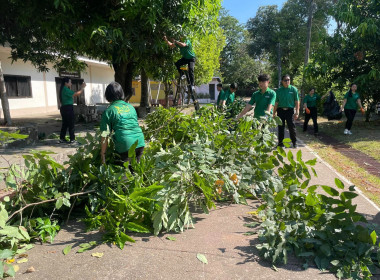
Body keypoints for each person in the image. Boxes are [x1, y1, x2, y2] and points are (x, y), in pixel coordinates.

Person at [100, 82, 145, 169]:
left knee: (124, 177)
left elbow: (104, 135)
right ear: (121, 93)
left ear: (107, 95)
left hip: (125, 145)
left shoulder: (109, 111)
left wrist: (103, 154)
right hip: (140, 142)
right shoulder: (130, 107)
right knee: (136, 173)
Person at [273, 74, 299, 148]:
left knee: (291, 127)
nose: (287, 81)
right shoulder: (278, 91)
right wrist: (274, 113)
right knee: (281, 127)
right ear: (282, 81)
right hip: (280, 110)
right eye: (285, 80)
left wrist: (297, 112)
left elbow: (297, 101)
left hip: (290, 111)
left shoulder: (293, 89)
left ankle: (294, 143)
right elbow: (276, 103)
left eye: (288, 80)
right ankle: (281, 144)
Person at [59, 77, 86, 144]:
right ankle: (72, 140)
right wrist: (82, 88)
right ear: (66, 83)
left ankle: (62, 138)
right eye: (70, 82)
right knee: (71, 124)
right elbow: (76, 94)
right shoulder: (65, 89)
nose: (71, 83)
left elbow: (75, 92)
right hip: (68, 108)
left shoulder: (63, 89)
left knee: (65, 124)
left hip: (64, 108)